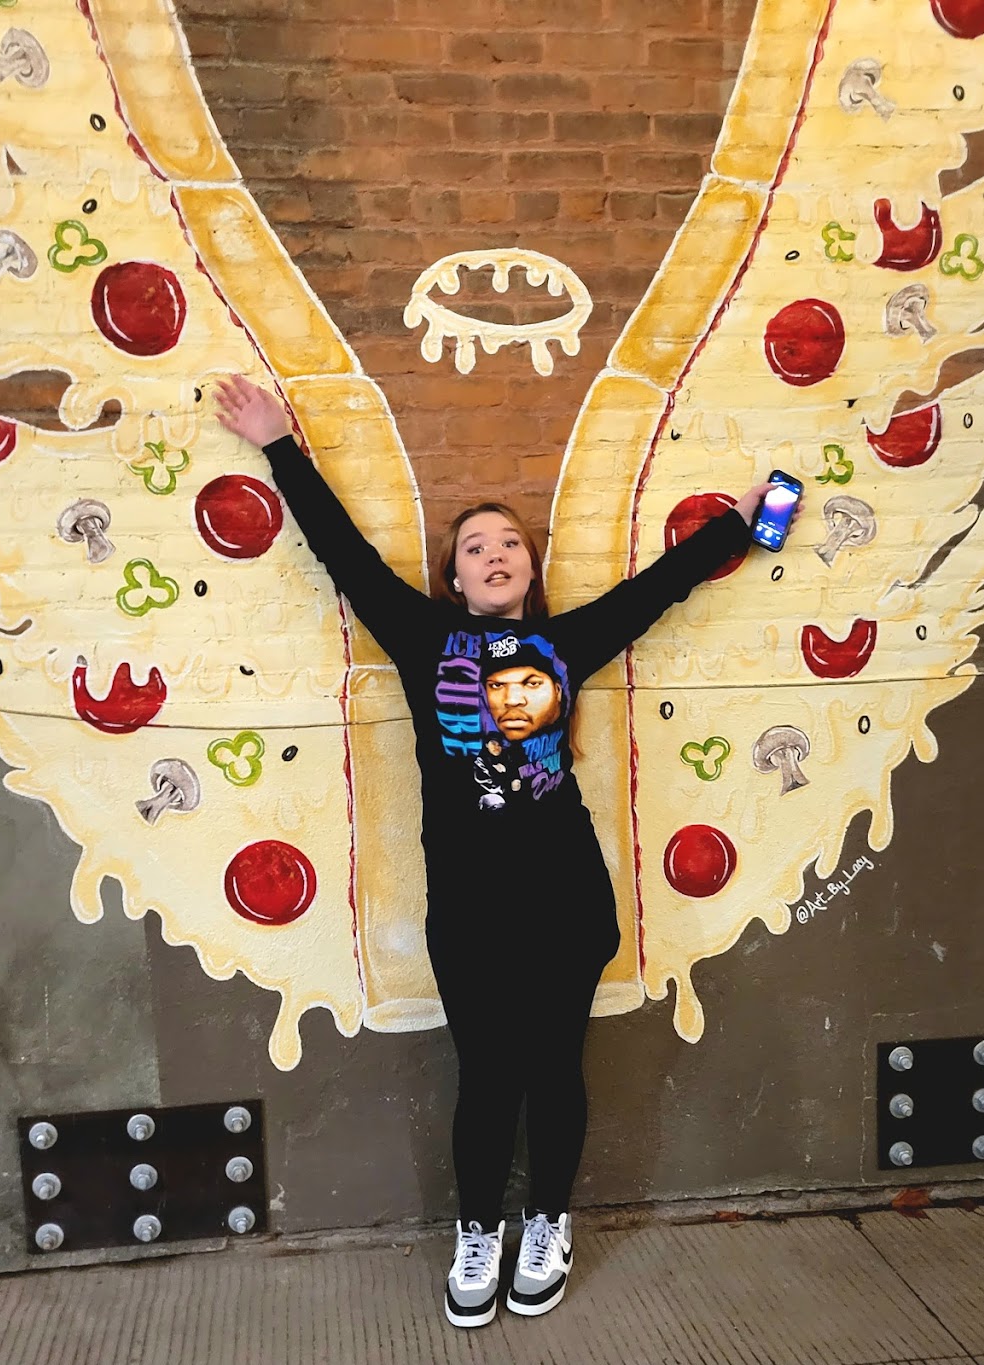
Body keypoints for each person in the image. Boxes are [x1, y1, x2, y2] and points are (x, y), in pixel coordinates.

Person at [214, 373, 781, 1328]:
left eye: (509, 542)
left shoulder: (567, 644)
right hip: (471, 908)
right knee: (486, 1077)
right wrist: (278, 444)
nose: (494, 554)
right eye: (475, 547)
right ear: (455, 578)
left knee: (555, 1067)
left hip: (566, 899)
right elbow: (343, 553)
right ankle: (478, 1231)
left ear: (529, 566)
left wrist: (740, 521)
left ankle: (548, 1222)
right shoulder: (421, 635)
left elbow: (659, 588)